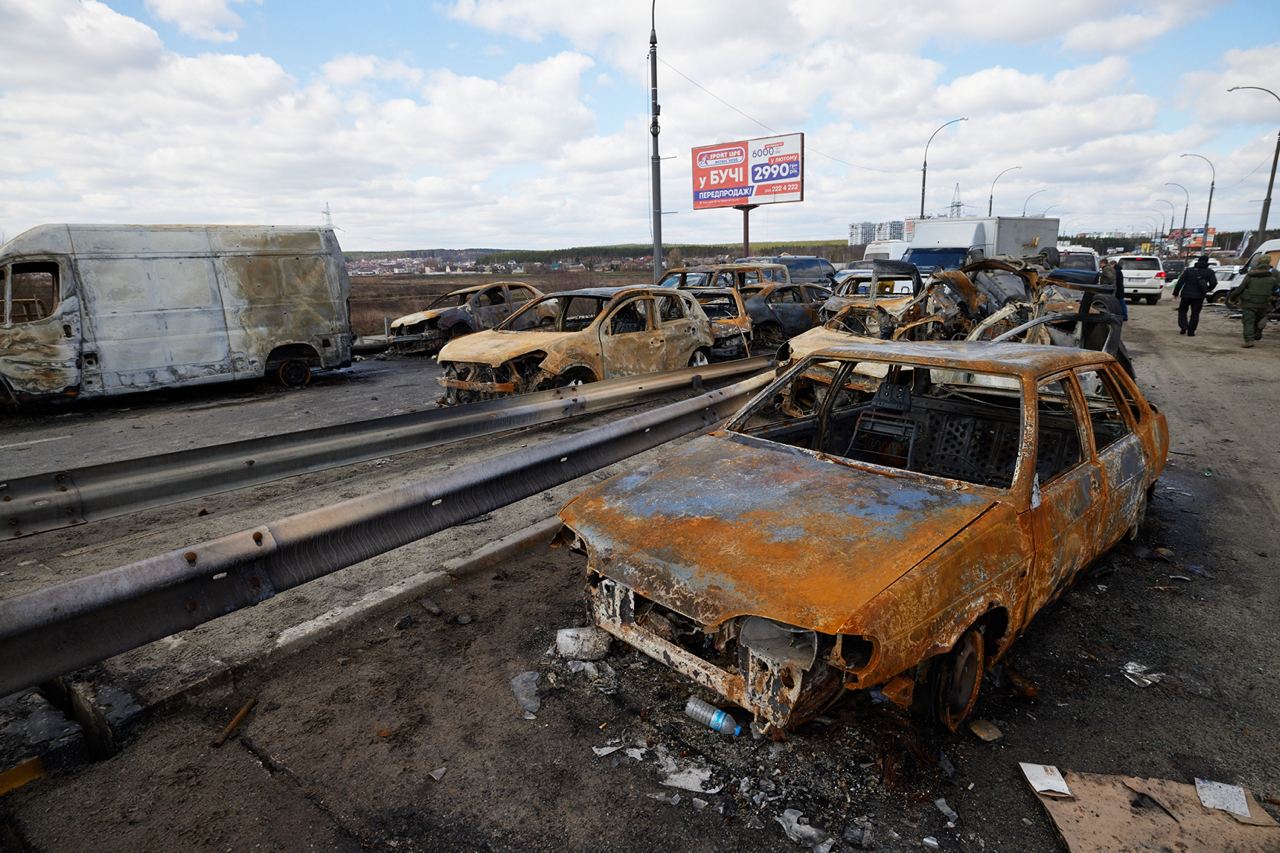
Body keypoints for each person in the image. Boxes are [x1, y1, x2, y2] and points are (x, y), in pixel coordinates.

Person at [1229, 254, 1280, 347]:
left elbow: (1241, 288)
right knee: (1260, 317)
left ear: (1258, 262)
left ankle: (1249, 340)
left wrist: (1232, 298)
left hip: (1249, 302)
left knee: (1248, 321)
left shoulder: (1250, 275)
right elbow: (1277, 289)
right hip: (1264, 302)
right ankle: (1259, 329)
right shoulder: (1273, 277)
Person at [1172, 256, 1216, 336]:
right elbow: (1213, 283)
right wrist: (1207, 289)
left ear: (1198, 261)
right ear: (1207, 262)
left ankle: (1183, 326)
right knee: (1195, 313)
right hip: (1199, 296)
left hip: (1186, 295)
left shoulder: (1189, 271)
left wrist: (1176, 293)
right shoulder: (1210, 272)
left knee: (1182, 310)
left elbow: (1180, 282)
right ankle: (1191, 331)